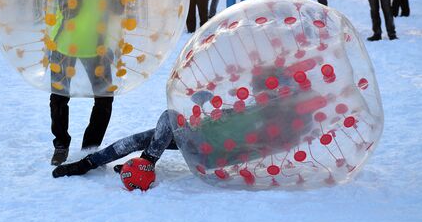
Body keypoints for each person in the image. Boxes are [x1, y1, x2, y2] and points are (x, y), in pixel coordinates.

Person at [52, 67, 316, 186]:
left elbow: (250, 146)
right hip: (204, 137)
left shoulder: (276, 127)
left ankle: (145, 164)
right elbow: (229, 114)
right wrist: (210, 106)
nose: (261, 94)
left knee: (167, 119)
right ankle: (90, 163)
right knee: (148, 136)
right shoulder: (258, 110)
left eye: (268, 91)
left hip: (210, 150)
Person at [47, 0, 124, 165]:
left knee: (105, 98)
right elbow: (60, 3)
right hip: (64, 45)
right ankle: (61, 144)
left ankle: (90, 148)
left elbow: (119, 9)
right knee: (59, 96)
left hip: (97, 48)